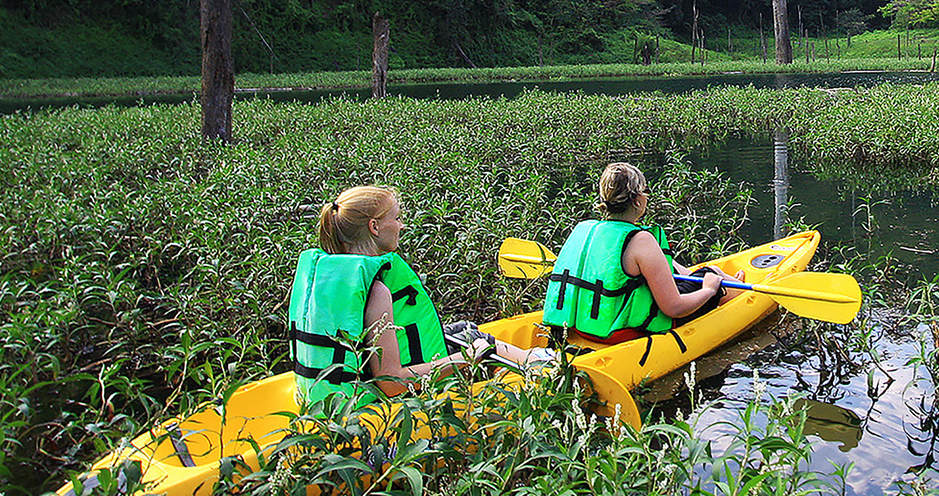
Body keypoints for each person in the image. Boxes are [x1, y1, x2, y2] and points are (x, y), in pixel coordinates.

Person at [288, 185, 547, 407]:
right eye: (397, 218)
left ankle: (536, 358)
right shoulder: (376, 292)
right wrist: (468, 357)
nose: (401, 225)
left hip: (330, 391)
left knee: (465, 331)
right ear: (374, 227)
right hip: (384, 400)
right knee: (478, 344)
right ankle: (546, 368)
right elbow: (391, 382)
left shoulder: (333, 277)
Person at [542, 163, 744, 345]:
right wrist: (709, 289)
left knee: (692, 273)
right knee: (712, 274)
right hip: (620, 332)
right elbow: (674, 308)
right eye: (645, 191)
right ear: (637, 201)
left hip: (581, 327)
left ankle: (710, 278)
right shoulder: (641, 240)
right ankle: (741, 295)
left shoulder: (587, 229)